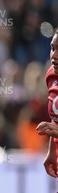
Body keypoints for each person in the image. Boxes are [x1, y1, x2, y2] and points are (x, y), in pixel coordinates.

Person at [36, 28, 58, 177]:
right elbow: (55, 119)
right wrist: (52, 150)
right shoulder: (51, 75)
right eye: (52, 48)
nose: (54, 56)